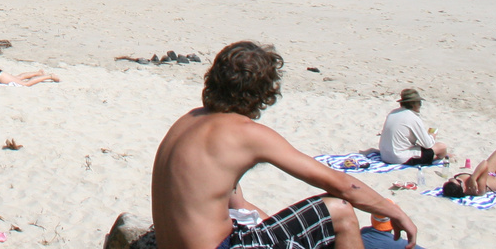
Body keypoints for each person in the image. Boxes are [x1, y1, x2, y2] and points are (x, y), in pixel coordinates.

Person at [150, 40, 417, 249]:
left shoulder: (187, 121)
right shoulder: (244, 133)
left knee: (284, 224)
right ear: (263, 91)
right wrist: (390, 209)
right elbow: (343, 185)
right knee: (341, 211)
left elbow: (237, 204)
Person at [377, 88, 448, 165]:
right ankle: (438, 159)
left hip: (385, 155)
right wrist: (432, 135)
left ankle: (442, 156)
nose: (420, 105)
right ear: (413, 104)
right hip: (399, 159)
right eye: (419, 103)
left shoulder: (393, 112)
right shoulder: (413, 117)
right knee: (441, 147)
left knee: (426, 148)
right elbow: (428, 144)